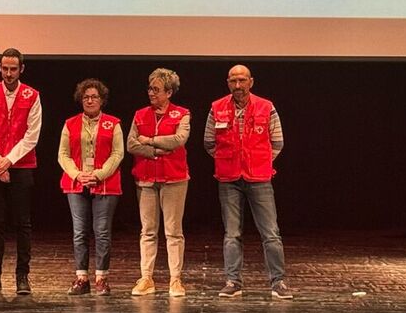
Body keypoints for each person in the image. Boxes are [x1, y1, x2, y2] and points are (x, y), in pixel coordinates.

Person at [204, 64, 294, 300]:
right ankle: (233, 281)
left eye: (242, 80)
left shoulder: (266, 106)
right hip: (228, 178)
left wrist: (259, 160)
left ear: (251, 82)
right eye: (234, 81)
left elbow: (277, 141)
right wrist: (229, 160)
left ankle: (278, 282)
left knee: (271, 233)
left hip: (259, 178)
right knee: (232, 233)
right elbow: (209, 142)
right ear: (228, 83)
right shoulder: (217, 107)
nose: (238, 85)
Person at [0, 48, 42, 295]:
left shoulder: (32, 95)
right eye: (5, 68)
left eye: (14, 69)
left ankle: (22, 276)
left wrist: (9, 161)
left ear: (21, 69)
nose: (9, 73)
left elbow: (32, 135)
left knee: (23, 223)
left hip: (21, 166)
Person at [126, 68, 191, 297]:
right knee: (148, 231)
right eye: (150, 88)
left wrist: (150, 140)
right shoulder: (140, 114)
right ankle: (146, 278)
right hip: (145, 179)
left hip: (174, 179)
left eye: (156, 89)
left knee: (173, 231)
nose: (151, 93)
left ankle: (175, 280)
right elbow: (131, 145)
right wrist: (153, 150)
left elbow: (178, 140)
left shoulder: (182, 114)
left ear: (169, 92)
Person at [58, 78, 124, 296]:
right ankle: (81, 278)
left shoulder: (113, 123)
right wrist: (78, 175)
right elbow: (63, 155)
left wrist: (98, 174)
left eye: (94, 97)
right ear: (80, 99)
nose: (90, 100)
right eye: (86, 97)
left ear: (102, 99)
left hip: (105, 183)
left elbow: (118, 154)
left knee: (102, 232)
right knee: (80, 232)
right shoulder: (70, 123)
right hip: (76, 183)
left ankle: (101, 278)